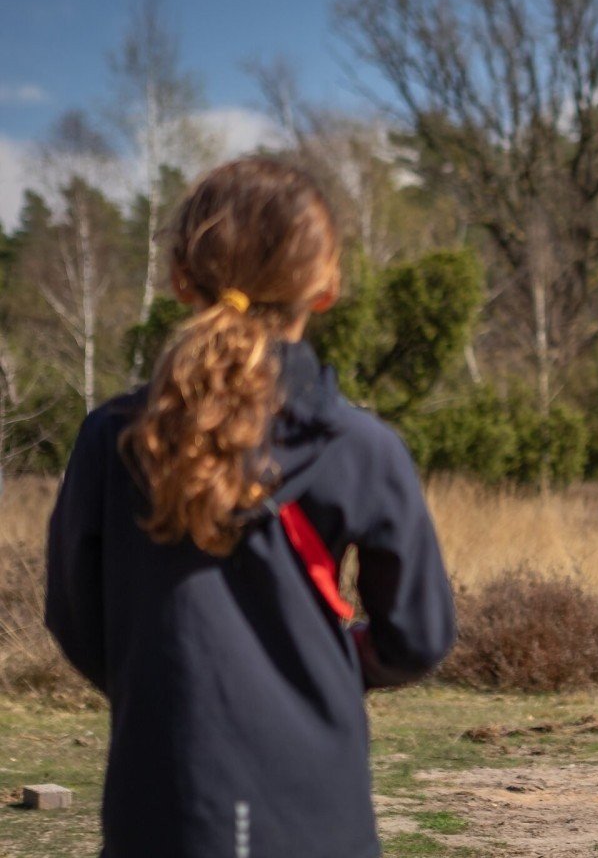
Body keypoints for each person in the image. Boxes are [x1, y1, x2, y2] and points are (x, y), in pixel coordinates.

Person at [46, 156, 456, 858]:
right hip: (319, 812)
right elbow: (417, 636)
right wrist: (323, 661)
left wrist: (168, 680)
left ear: (181, 278)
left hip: (162, 802)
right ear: (325, 287)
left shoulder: (111, 441)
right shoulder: (363, 448)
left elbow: (76, 619)